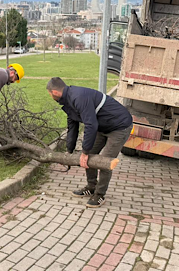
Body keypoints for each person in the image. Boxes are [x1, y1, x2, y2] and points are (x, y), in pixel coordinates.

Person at [46, 77, 133, 208]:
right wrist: (69, 151)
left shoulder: (78, 97)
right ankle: (91, 186)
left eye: (50, 94)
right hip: (102, 126)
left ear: (55, 92)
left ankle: (99, 194)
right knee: (90, 154)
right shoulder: (68, 102)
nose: (50, 96)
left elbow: (90, 125)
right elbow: (72, 127)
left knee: (104, 161)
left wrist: (85, 152)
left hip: (119, 126)